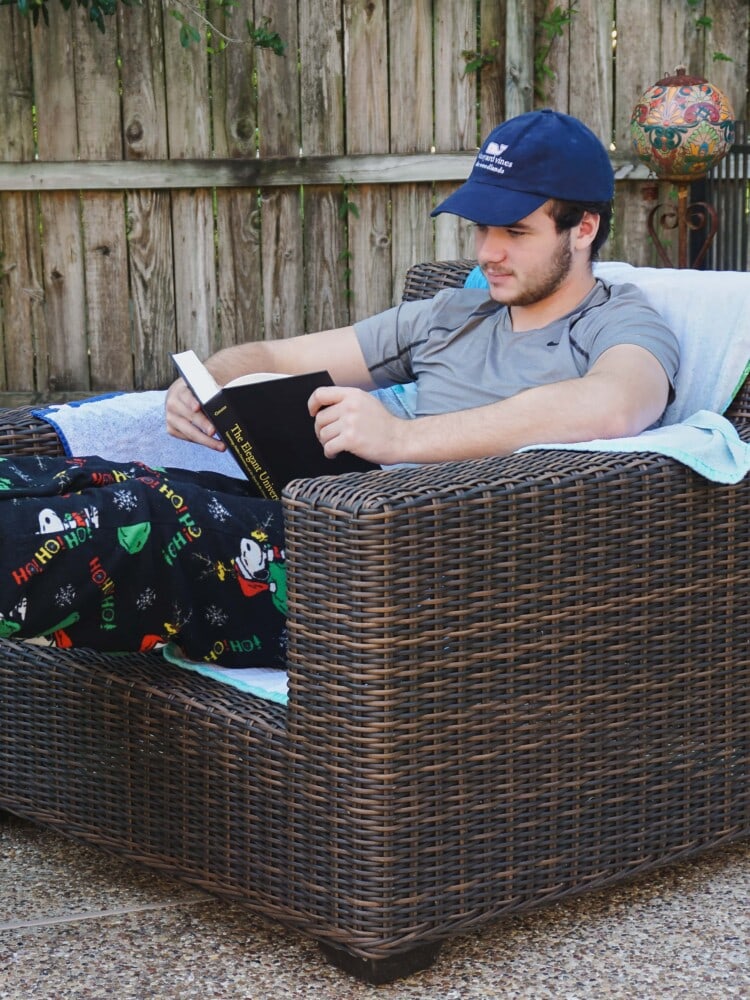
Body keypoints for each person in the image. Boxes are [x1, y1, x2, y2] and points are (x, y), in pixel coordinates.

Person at [0, 110, 679, 668]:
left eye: (515, 232)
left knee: (142, 522)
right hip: (330, 528)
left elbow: (618, 402)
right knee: (91, 481)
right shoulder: (452, 314)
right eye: (481, 228)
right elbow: (272, 353)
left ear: (583, 228)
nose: (485, 253)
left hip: (412, 578)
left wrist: (403, 437)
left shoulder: (619, 319)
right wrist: (202, 382)